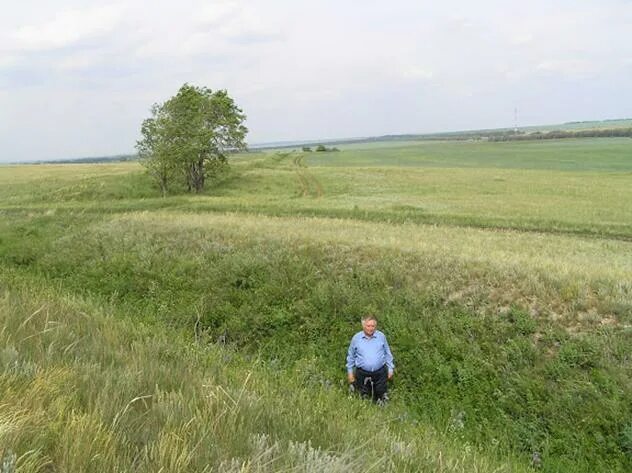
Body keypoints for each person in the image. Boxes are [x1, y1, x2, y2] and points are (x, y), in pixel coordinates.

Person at [346, 315, 394, 403]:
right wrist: (350, 373)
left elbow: (388, 353)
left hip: (380, 372)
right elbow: (351, 356)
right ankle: (366, 412)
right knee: (364, 396)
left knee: (381, 394)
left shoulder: (381, 336)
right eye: (368, 326)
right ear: (363, 326)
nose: (371, 328)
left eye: (373, 326)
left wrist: (390, 368)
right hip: (362, 373)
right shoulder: (356, 338)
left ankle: (383, 411)